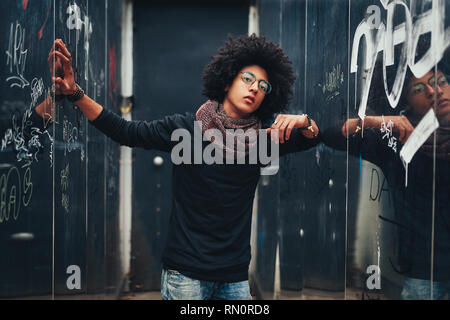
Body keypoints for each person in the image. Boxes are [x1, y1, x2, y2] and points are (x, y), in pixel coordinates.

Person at [36, 34, 321, 300]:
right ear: (226, 81)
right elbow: (125, 131)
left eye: (263, 86)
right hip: (185, 275)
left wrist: (304, 121)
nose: (254, 88)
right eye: (247, 78)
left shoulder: (264, 139)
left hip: (235, 277)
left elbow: (312, 139)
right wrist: (75, 94)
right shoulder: (186, 129)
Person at [322, 55, 450, 299]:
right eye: (419, 88)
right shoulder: (397, 141)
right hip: (424, 275)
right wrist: (376, 121)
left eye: (440, 81)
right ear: (406, 102)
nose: (435, 91)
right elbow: (330, 135)